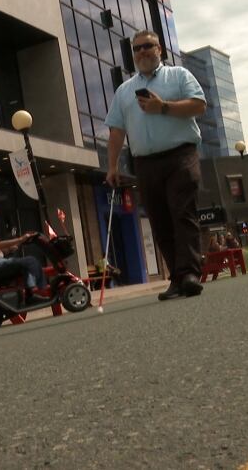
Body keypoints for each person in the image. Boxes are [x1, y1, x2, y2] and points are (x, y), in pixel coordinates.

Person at [105, 30, 206, 301]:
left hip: (180, 155)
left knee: (181, 211)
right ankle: (177, 276)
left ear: (159, 48)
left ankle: (189, 274)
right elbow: (116, 131)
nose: (142, 52)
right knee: (160, 220)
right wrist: (112, 166)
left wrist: (163, 107)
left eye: (147, 46)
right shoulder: (124, 91)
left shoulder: (179, 76)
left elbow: (198, 106)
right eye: (137, 49)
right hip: (145, 163)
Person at [0, 208, 48, 303]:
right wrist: (20, 239)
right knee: (30, 261)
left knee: (25, 264)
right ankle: (43, 290)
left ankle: (30, 294)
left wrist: (9, 250)